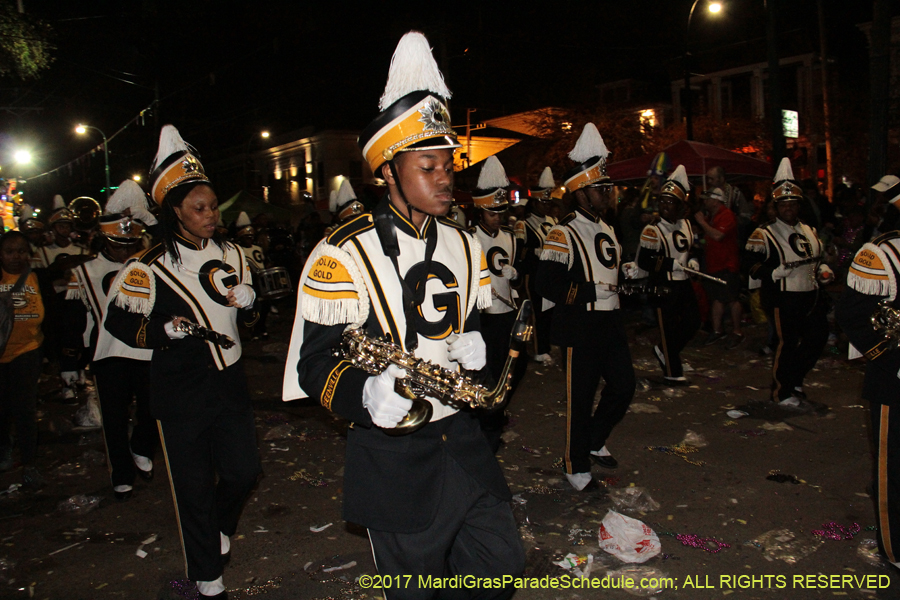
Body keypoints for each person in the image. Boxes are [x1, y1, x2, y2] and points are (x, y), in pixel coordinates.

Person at [283, 31, 524, 599]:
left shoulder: (466, 246)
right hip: (394, 459)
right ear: (387, 173)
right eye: (428, 167)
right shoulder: (340, 252)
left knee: (500, 569)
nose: (446, 179)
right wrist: (364, 395)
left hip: (464, 444)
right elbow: (314, 363)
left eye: (449, 166)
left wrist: (483, 349)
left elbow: (481, 330)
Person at [105, 125, 261, 599]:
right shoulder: (147, 267)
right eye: (200, 208)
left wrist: (251, 300)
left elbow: (248, 318)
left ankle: (218, 524)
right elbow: (118, 323)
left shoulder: (234, 252)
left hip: (230, 381)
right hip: (180, 388)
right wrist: (162, 333)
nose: (211, 215)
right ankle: (206, 575)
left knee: (243, 472)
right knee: (191, 485)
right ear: (175, 211)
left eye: (214, 206)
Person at [536, 123, 636, 491]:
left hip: (611, 324)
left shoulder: (607, 229)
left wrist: (627, 275)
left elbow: (608, 270)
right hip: (580, 326)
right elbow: (546, 283)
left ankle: (594, 438)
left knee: (625, 386)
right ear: (581, 192)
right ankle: (574, 464)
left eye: (608, 188)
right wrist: (590, 291)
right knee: (580, 398)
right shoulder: (563, 232)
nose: (608, 194)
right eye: (601, 189)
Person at [65, 207, 157, 501]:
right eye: (120, 245)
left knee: (152, 408)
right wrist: (71, 360)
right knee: (114, 417)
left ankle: (141, 446)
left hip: (146, 348)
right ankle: (121, 473)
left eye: (131, 244)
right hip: (107, 351)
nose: (126, 250)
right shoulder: (84, 271)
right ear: (106, 242)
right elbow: (76, 320)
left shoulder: (149, 265)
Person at [836, 181, 900, 570]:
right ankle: (894, 549)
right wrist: (889, 358)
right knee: (893, 470)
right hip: (894, 381)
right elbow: (851, 316)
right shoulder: (881, 254)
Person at [745, 158, 833, 407]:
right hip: (783, 297)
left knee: (818, 337)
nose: (789, 209)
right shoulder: (764, 233)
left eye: (793, 204)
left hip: (811, 295)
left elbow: (817, 259)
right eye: (784, 204)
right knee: (788, 343)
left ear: (799, 205)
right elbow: (749, 265)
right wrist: (772, 273)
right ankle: (781, 392)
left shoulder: (809, 230)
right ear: (776, 206)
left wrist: (824, 269)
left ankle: (795, 380)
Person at [470, 155, 526, 452]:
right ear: (480, 212)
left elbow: (518, 282)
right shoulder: (469, 239)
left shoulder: (511, 238)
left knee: (517, 367)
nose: (498, 218)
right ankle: (487, 427)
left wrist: (516, 277)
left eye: (501, 212)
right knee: (489, 372)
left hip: (508, 314)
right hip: (484, 319)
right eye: (492, 213)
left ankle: (495, 412)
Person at [0, 231, 57, 489]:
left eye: (21, 251)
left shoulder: (37, 277)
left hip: (28, 351)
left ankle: (29, 463)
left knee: (25, 409)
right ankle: (4, 451)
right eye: (9, 251)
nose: (15, 257)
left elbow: (52, 315)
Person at [634, 165, 701, 384]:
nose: (665, 206)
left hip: (683, 284)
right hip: (663, 286)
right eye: (662, 201)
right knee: (668, 329)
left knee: (693, 322)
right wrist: (670, 264)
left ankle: (663, 350)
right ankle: (673, 372)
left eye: (670, 202)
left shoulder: (687, 226)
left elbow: (693, 249)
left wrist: (693, 261)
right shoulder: (653, 229)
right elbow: (644, 260)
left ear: (681, 206)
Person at [694, 186, 744, 348]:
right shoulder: (712, 217)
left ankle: (737, 331)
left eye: (707, 199)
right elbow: (708, 239)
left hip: (727, 265)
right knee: (716, 298)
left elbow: (718, 235)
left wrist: (702, 223)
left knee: (732, 298)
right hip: (714, 264)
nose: (705, 202)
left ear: (716, 200)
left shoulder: (726, 215)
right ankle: (717, 330)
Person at [517, 166, 557, 366]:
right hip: (532, 274)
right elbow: (519, 253)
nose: (547, 206)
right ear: (534, 203)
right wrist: (535, 252)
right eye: (543, 202)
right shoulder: (523, 225)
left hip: (550, 273)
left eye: (549, 202)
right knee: (537, 312)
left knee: (550, 312)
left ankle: (547, 344)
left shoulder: (553, 221)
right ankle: (538, 349)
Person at [707, 165, 753, 244]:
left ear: (721, 179)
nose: (709, 181)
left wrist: (729, 221)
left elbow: (746, 216)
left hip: (732, 238)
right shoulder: (709, 194)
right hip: (713, 237)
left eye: (712, 179)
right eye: (708, 179)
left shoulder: (735, 193)